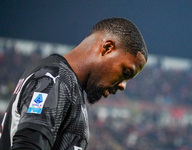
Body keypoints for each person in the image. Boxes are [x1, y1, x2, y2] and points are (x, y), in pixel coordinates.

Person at [0, 17, 148, 150]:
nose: (123, 86)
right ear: (107, 48)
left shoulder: (67, 85)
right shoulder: (55, 79)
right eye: (126, 72)